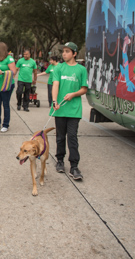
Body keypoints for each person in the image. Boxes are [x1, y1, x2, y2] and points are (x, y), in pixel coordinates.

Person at [51, 42, 88, 180]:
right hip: (60, 108)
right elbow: (55, 84)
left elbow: (84, 88)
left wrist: (73, 94)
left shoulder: (81, 69)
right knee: (60, 137)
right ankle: (59, 160)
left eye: (67, 51)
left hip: (74, 110)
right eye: (63, 51)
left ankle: (74, 166)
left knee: (72, 136)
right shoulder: (59, 68)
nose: (64, 53)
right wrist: (55, 101)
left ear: (74, 53)